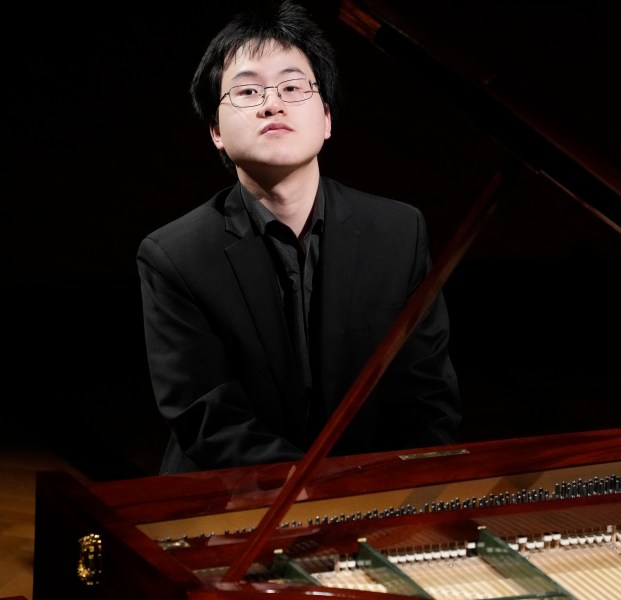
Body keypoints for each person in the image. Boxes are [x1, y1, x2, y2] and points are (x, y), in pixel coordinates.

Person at [136, 0, 461, 474]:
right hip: (228, 502)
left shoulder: (398, 231)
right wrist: (317, 490)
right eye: (247, 92)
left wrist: (397, 489)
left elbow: (426, 394)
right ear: (215, 132)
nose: (273, 103)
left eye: (292, 86)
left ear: (326, 119)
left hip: (371, 497)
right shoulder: (175, 256)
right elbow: (207, 416)